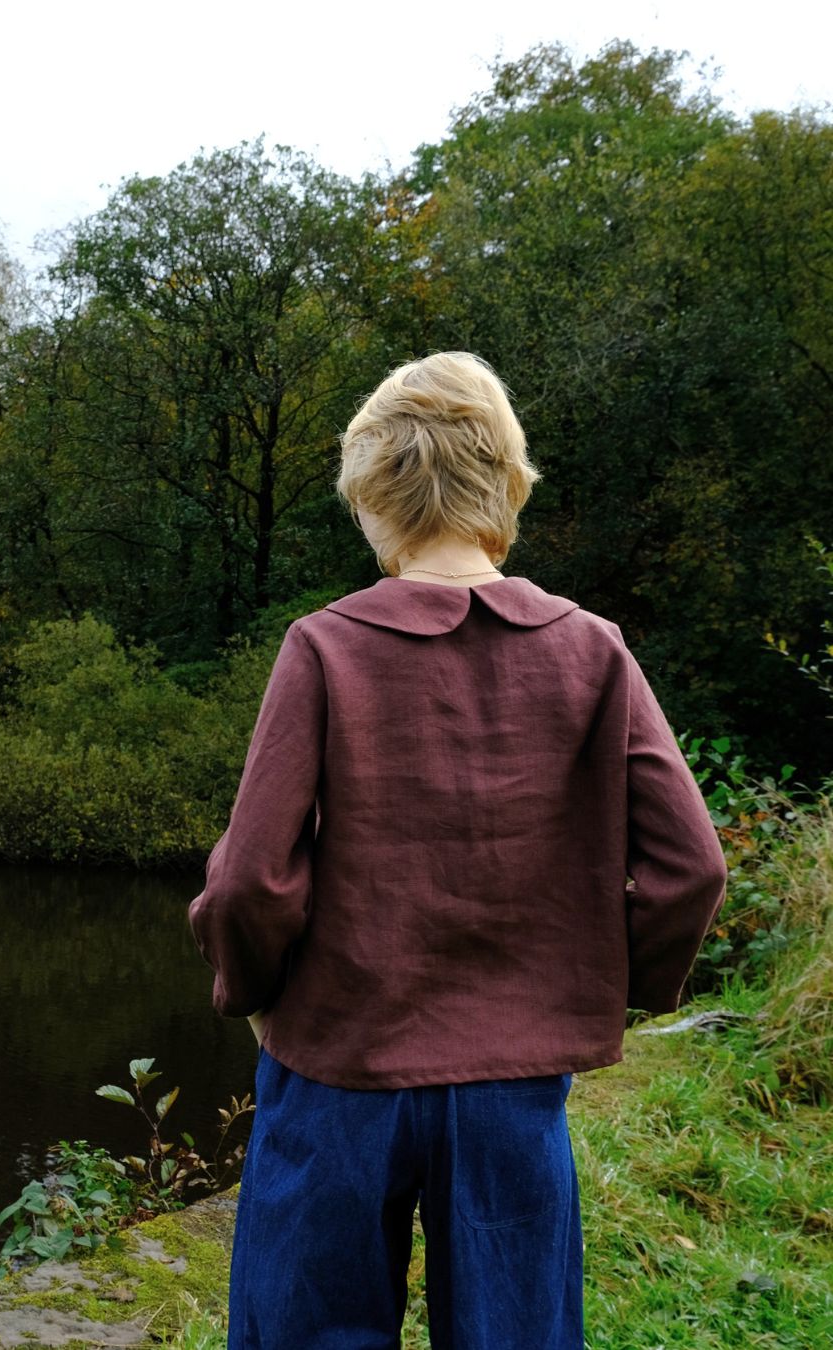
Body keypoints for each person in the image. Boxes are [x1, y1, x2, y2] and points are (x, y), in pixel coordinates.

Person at [187, 351, 728, 1350]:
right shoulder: (592, 648)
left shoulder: (326, 646)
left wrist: (255, 996)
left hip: (340, 1069)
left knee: (310, 1331)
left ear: (374, 503)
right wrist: (605, 994)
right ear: (502, 489)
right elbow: (691, 867)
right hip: (513, 1089)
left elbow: (248, 884)